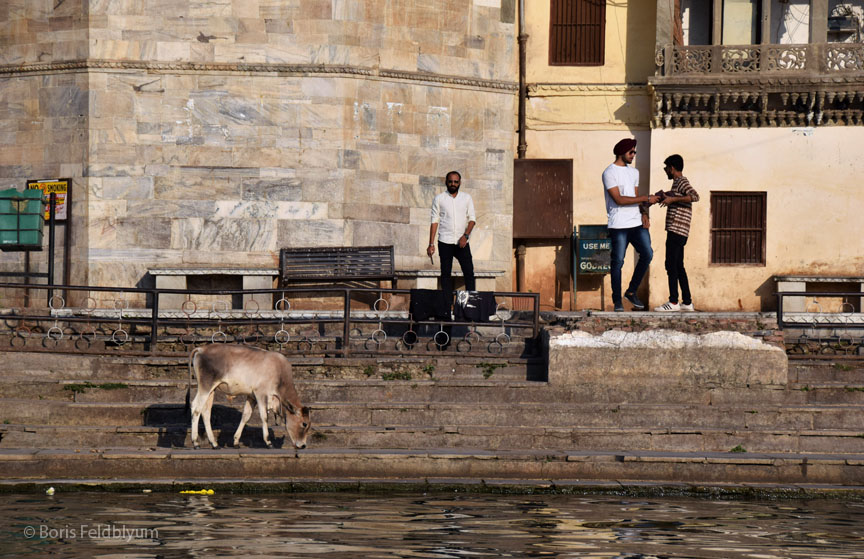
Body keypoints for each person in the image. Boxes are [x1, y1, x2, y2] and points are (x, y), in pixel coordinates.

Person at [602, 138, 659, 312]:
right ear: (622, 152)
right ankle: (617, 301)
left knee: (647, 254)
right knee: (618, 262)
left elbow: (634, 196)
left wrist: (644, 212)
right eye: (631, 152)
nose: (634, 155)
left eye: (635, 152)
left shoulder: (634, 173)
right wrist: (645, 198)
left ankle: (631, 291)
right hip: (618, 224)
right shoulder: (609, 173)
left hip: (635, 222)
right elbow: (618, 199)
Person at [653, 154, 699, 312]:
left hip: (676, 230)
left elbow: (695, 196)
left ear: (672, 168)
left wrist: (672, 200)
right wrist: (667, 197)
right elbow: (681, 198)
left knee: (671, 264)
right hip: (679, 231)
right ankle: (687, 302)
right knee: (679, 266)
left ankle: (673, 302)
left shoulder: (681, 181)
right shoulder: (676, 185)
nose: (665, 171)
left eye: (666, 168)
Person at [427, 171, 476, 295]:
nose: (453, 184)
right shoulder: (439, 199)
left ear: (460, 183)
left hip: (462, 242)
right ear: (446, 182)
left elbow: (472, 219)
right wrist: (431, 244)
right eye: (450, 181)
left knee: (469, 273)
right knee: (445, 275)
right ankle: (447, 308)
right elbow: (434, 221)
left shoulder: (466, 198)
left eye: (456, 181)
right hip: (445, 241)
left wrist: (465, 236)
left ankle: (470, 306)